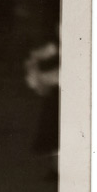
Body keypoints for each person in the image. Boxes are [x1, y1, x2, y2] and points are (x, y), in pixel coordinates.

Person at [24, 28, 59, 180]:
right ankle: (56, 168)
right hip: (55, 96)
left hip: (60, 93)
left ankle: (57, 169)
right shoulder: (55, 47)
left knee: (56, 131)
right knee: (54, 131)